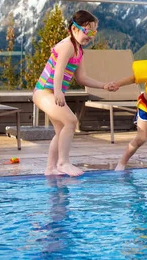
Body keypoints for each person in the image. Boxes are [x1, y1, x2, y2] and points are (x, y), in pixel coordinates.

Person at [33, 10, 117, 177]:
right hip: (44, 92)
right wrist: (58, 91)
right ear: (74, 29)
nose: (90, 36)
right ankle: (63, 162)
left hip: (50, 92)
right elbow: (59, 71)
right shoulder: (67, 46)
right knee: (71, 121)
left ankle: (50, 168)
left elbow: (82, 78)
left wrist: (104, 85)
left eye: (94, 32)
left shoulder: (79, 50)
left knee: (61, 130)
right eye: (87, 31)